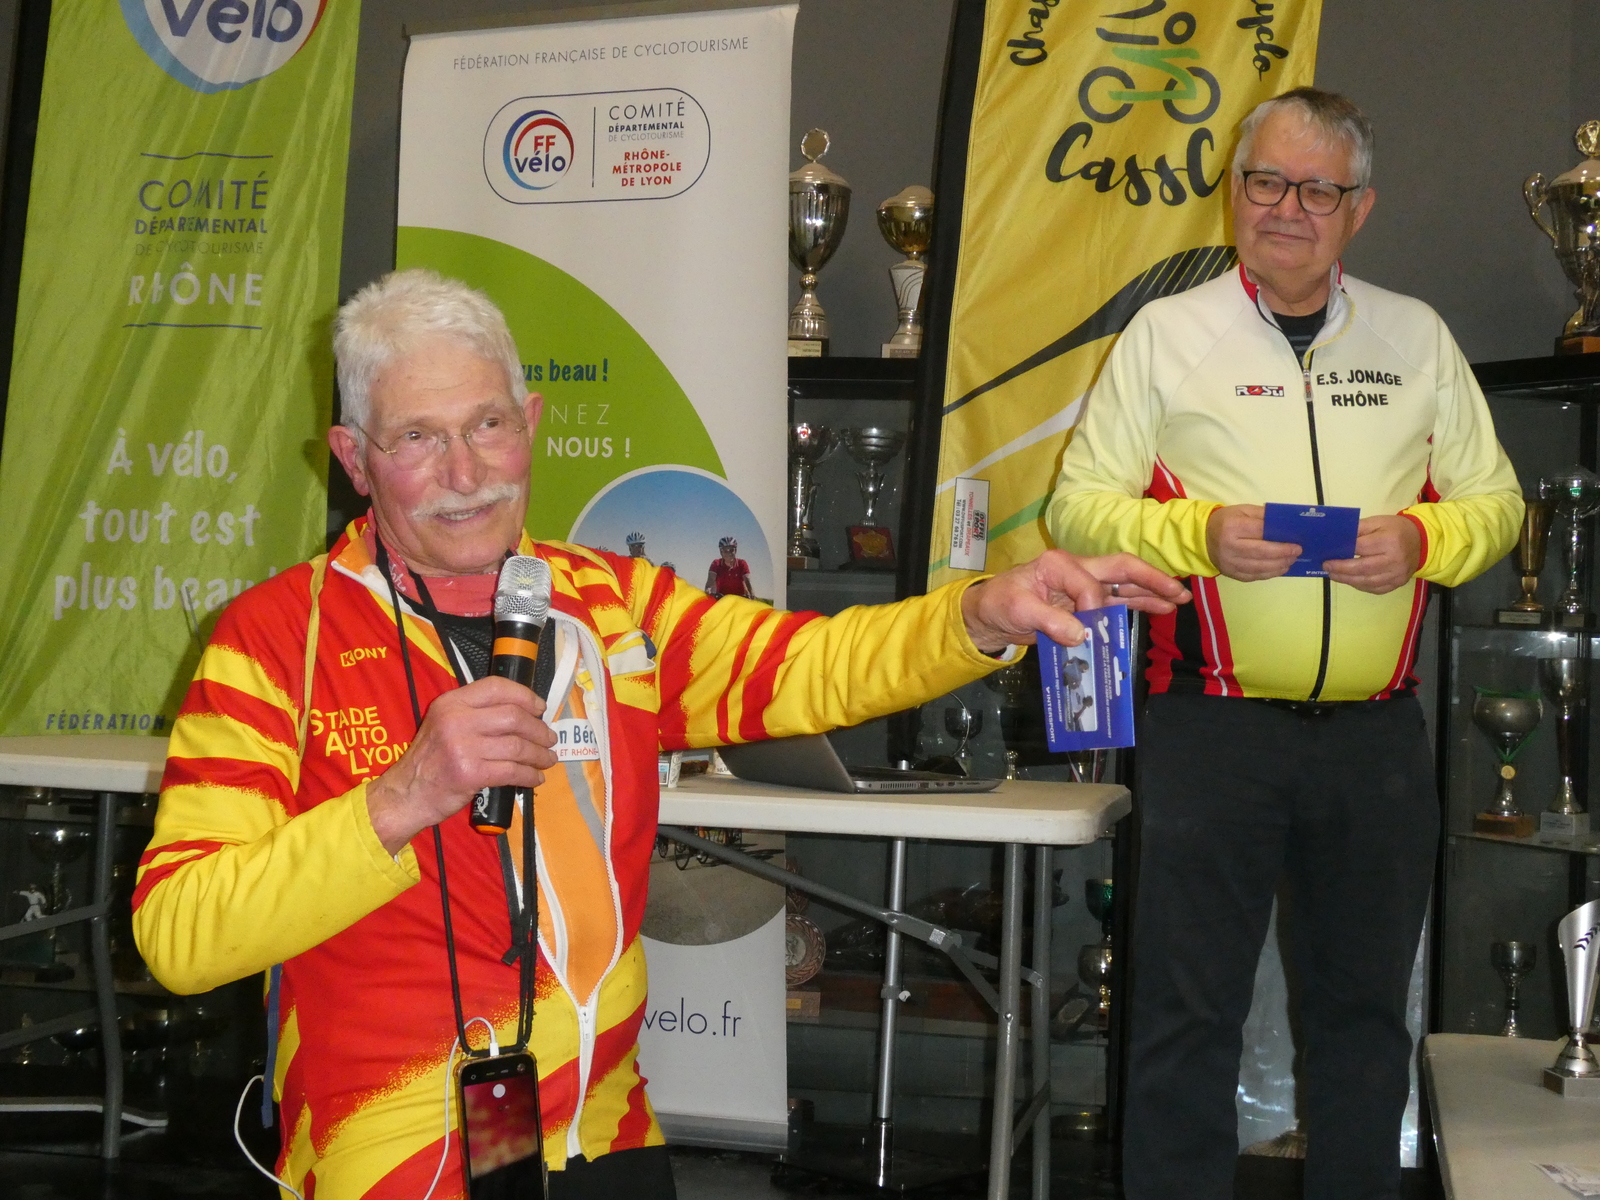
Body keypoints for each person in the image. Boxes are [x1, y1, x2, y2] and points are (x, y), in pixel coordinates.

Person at [133, 269, 1190, 1200]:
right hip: (390, 1145)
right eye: (418, 438)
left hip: (607, 1129)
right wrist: (401, 798)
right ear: (354, 459)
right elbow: (180, 936)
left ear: (532, 421)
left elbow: (812, 665)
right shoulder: (277, 638)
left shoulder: (611, 605)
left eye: (488, 424)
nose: (466, 471)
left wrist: (979, 616)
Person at [1047, 88, 1521, 1200]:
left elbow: (1497, 504)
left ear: (1360, 209)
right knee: (1184, 1020)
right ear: (1235, 192)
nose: (1287, 209)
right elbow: (1077, 508)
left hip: (1375, 741)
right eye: (1266, 181)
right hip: (1208, 729)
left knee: (1364, 1023)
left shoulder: (1417, 337)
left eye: (1318, 190)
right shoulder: (1167, 335)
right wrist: (1198, 534)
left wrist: (1425, 540)